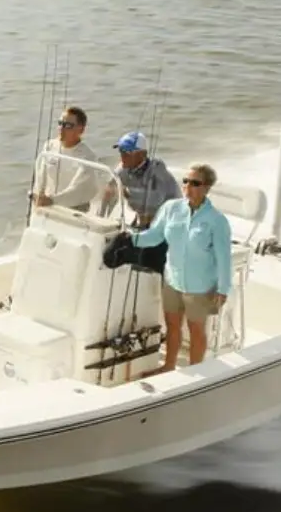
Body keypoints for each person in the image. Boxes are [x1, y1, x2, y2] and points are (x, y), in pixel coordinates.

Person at [127, 163, 232, 371]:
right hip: (172, 280)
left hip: (200, 286)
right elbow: (155, 236)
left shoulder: (217, 220)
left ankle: (196, 371)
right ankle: (168, 366)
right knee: (172, 326)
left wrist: (223, 289)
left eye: (195, 183)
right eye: (185, 181)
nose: (188, 186)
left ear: (206, 188)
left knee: (196, 331)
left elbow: (223, 258)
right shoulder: (171, 208)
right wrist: (129, 239)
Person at [33, 106, 101, 212]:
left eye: (68, 125)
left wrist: (52, 200)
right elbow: (40, 178)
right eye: (60, 123)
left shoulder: (88, 157)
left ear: (81, 130)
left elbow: (78, 189)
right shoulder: (49, 146)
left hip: (75, 210)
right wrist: (38, 196)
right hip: (47, 207)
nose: (61, 128)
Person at [109, 130, 180, 228]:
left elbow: (155, 200)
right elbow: (110, 191)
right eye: (121, 151)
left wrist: (126, 192)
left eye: (126, 152)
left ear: (142, 154)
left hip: (170, 218)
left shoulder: (157, 170)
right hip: (143, 218)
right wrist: (100, 217)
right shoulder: (123, 168)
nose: (122, 156)